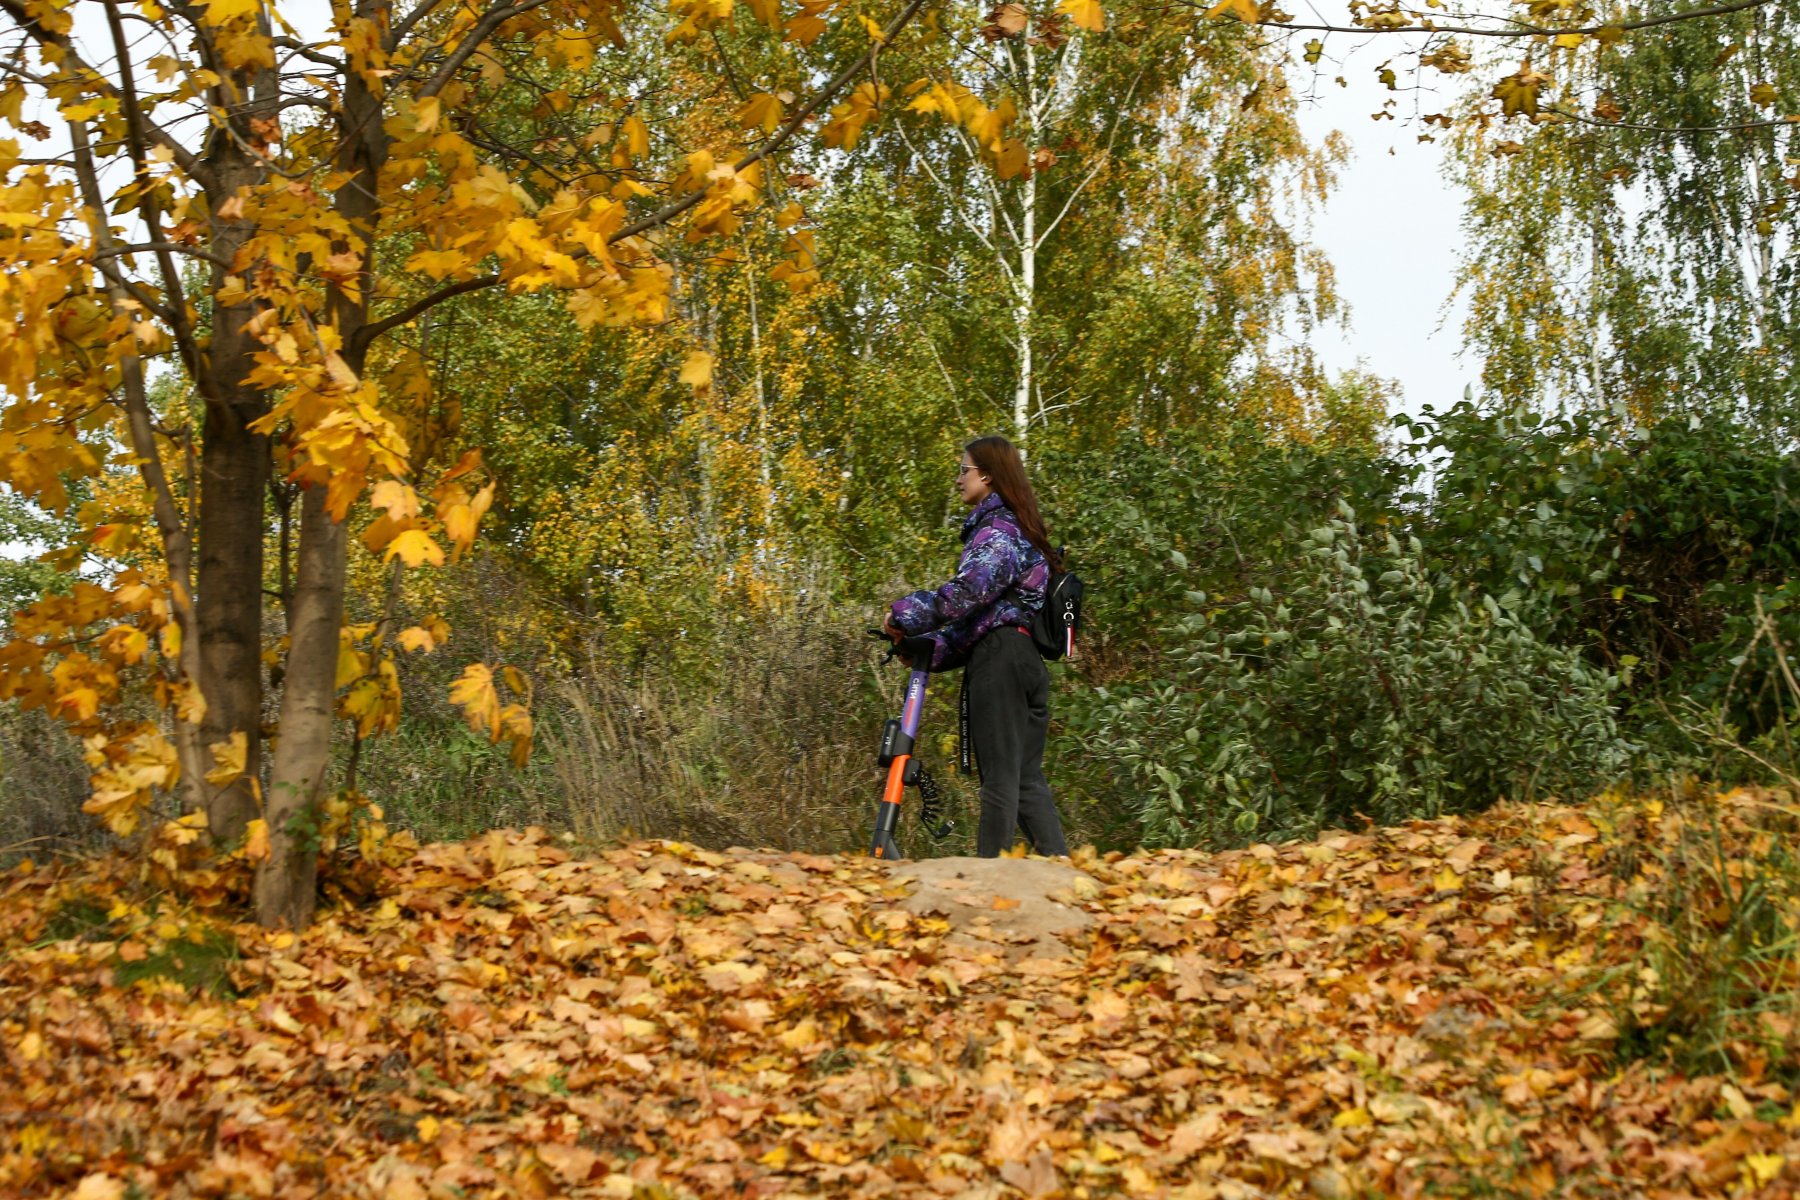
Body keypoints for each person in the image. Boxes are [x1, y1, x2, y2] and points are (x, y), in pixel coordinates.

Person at [884, 435, 1070, 859]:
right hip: (1024, 662)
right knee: (1024, 778)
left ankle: (991, 880)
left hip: (1001, 661)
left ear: (987, 475)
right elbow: (980, 618)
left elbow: (965, 593)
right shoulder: (1017, 528)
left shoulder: (999, 530)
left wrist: (903, 613)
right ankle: (1061, 871)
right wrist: (923, 650)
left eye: (963, 470)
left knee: (1001, 779)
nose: (957, 480)